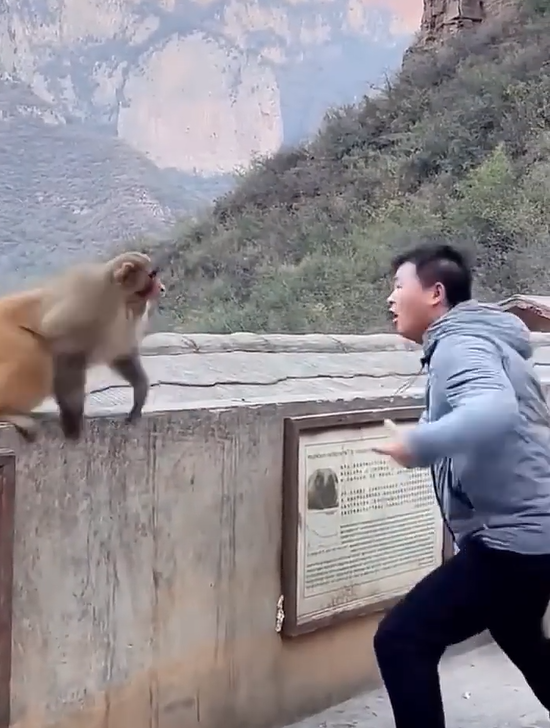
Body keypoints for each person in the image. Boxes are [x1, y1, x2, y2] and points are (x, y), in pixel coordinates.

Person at [372, 242, 550, 728]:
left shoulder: (458, 344)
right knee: (518, 632)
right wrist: (424, 445)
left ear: (435, 293)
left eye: (398, 286)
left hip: (514, 539)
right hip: (535, 531)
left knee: (401, 639)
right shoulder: (478, 341)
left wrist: (420, 443)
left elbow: (493, 409)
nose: (390, 298)